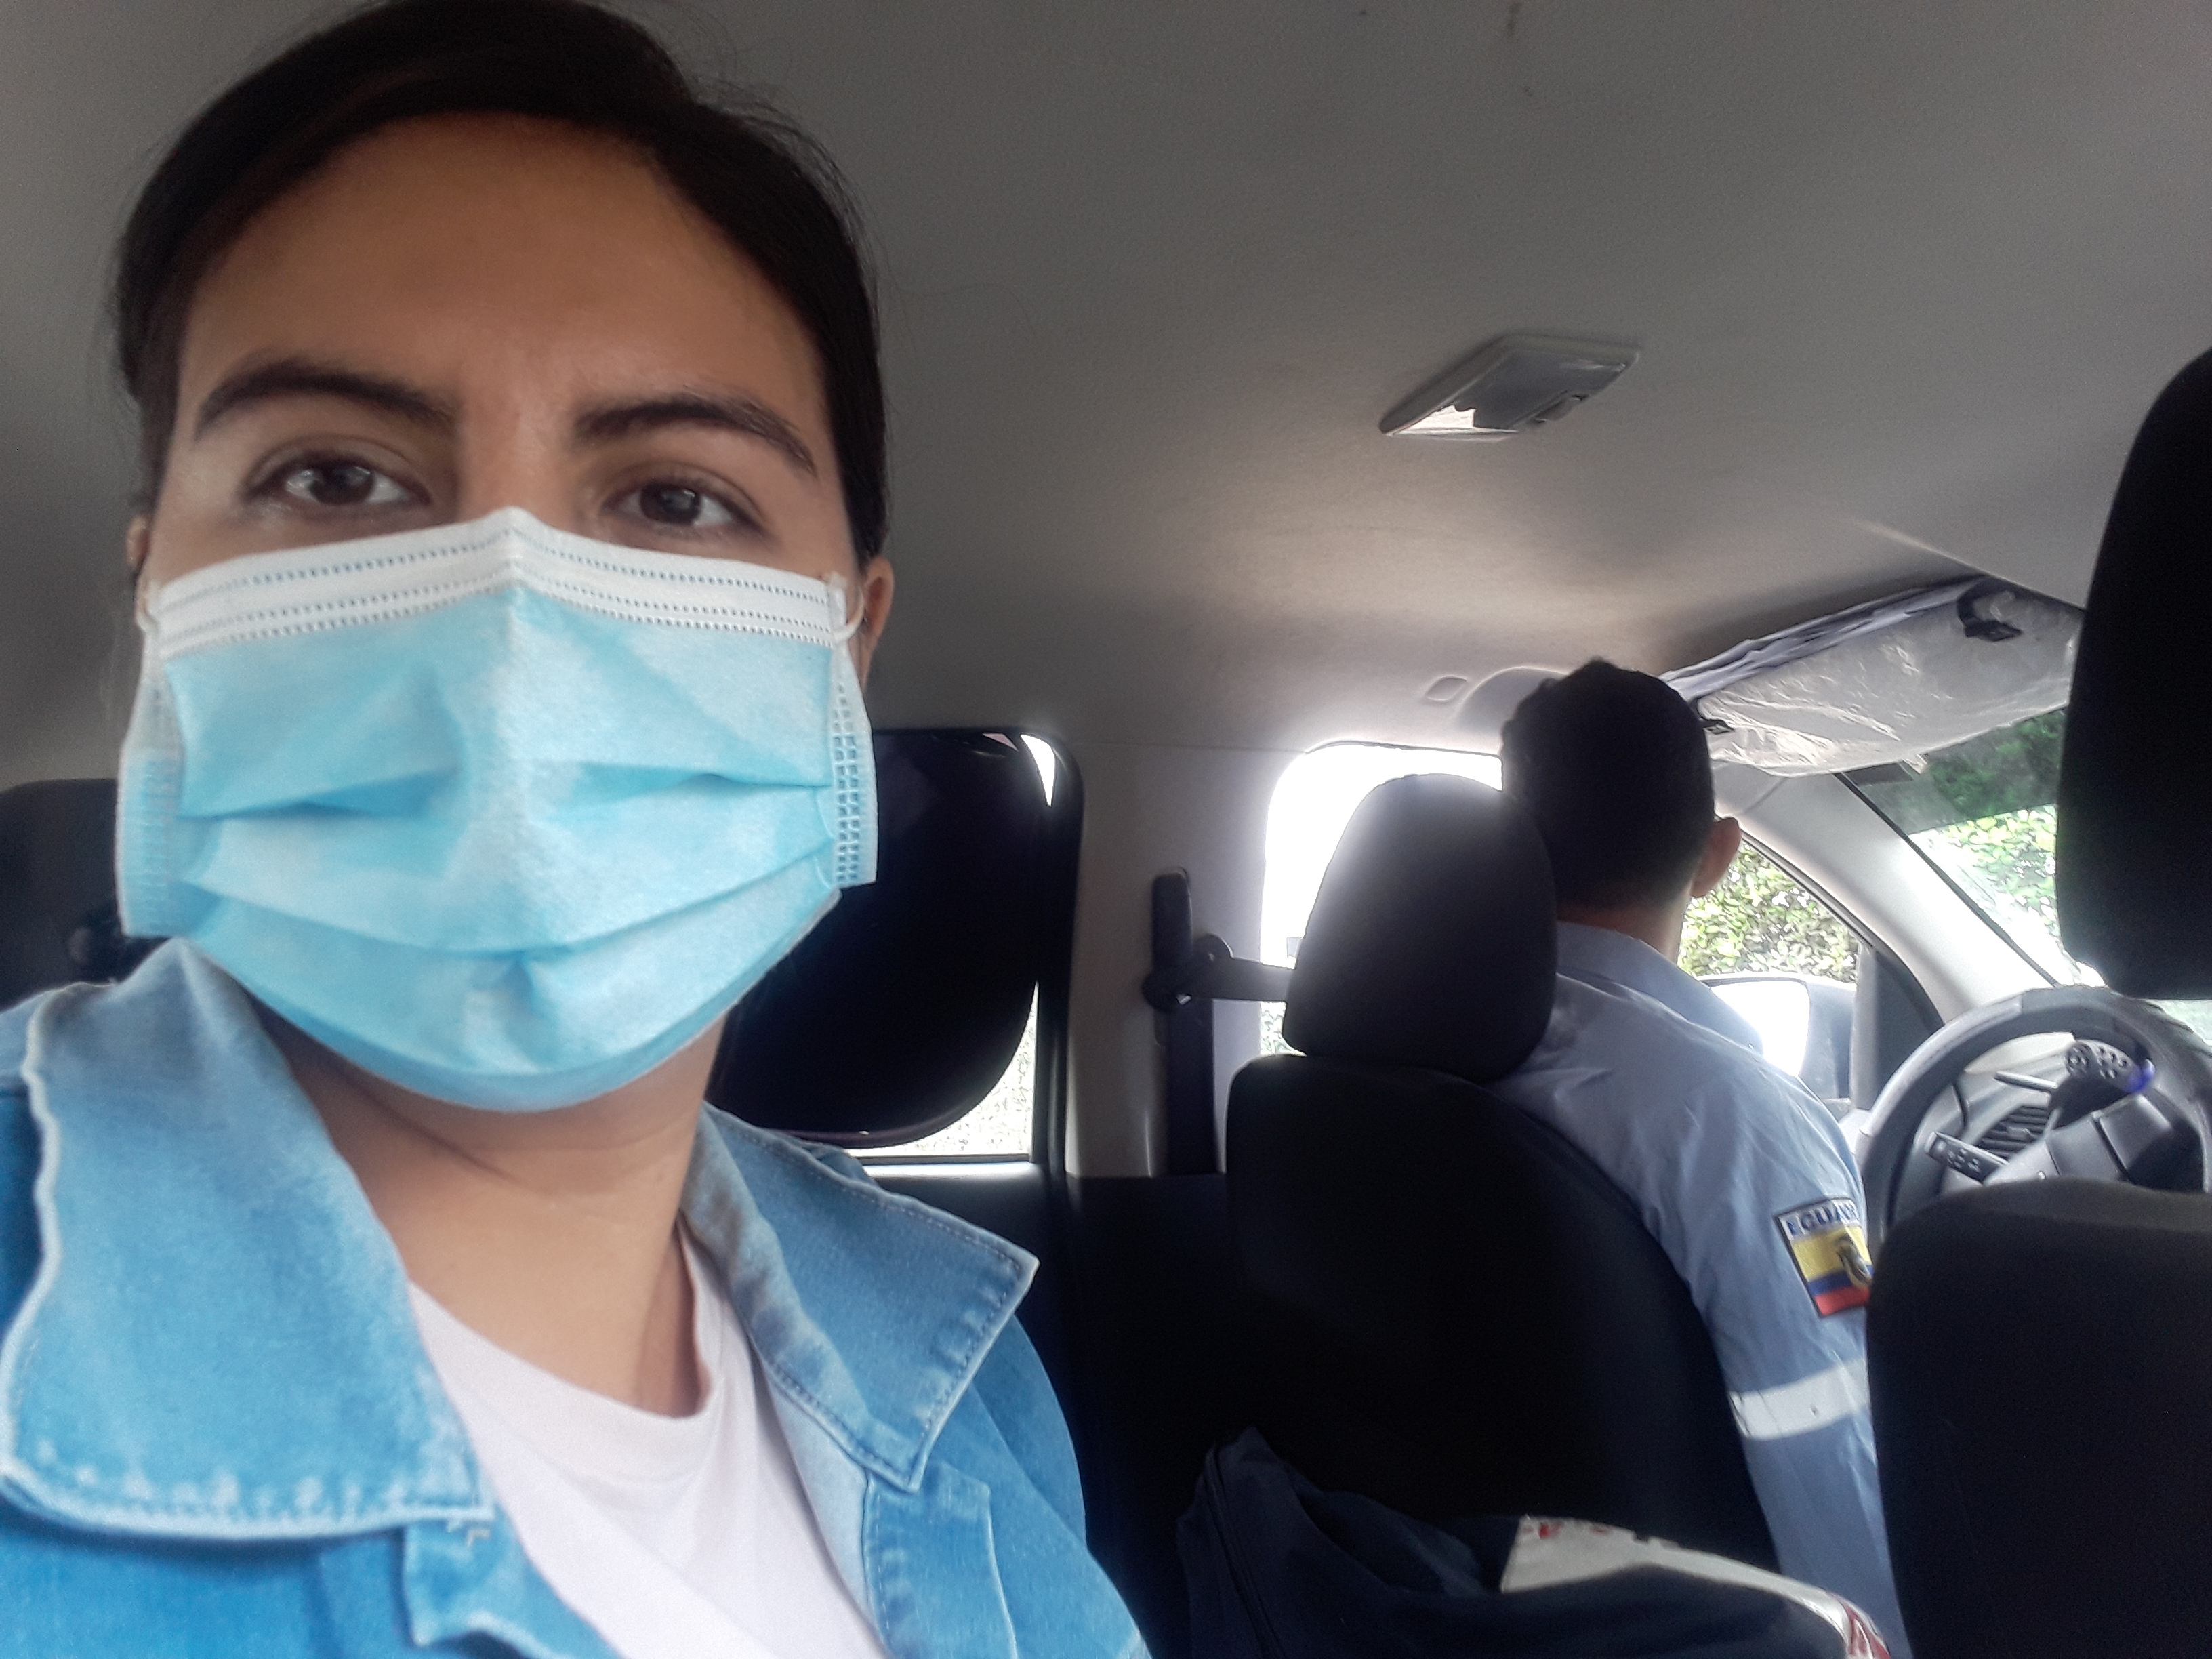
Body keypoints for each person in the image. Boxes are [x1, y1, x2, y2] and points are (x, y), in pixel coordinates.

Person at [0, 4, 1141, 1656]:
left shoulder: (964, 1363)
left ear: (849, 650)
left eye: (678, 500)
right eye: (336, 478)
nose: (508, 632)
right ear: (157, 594)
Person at [1488, 659, 1908, 1656]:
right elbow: (1826, 1445)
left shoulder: (1424, 1061)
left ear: (1515, 851)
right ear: (1718, 855)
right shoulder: (1725, 1117)